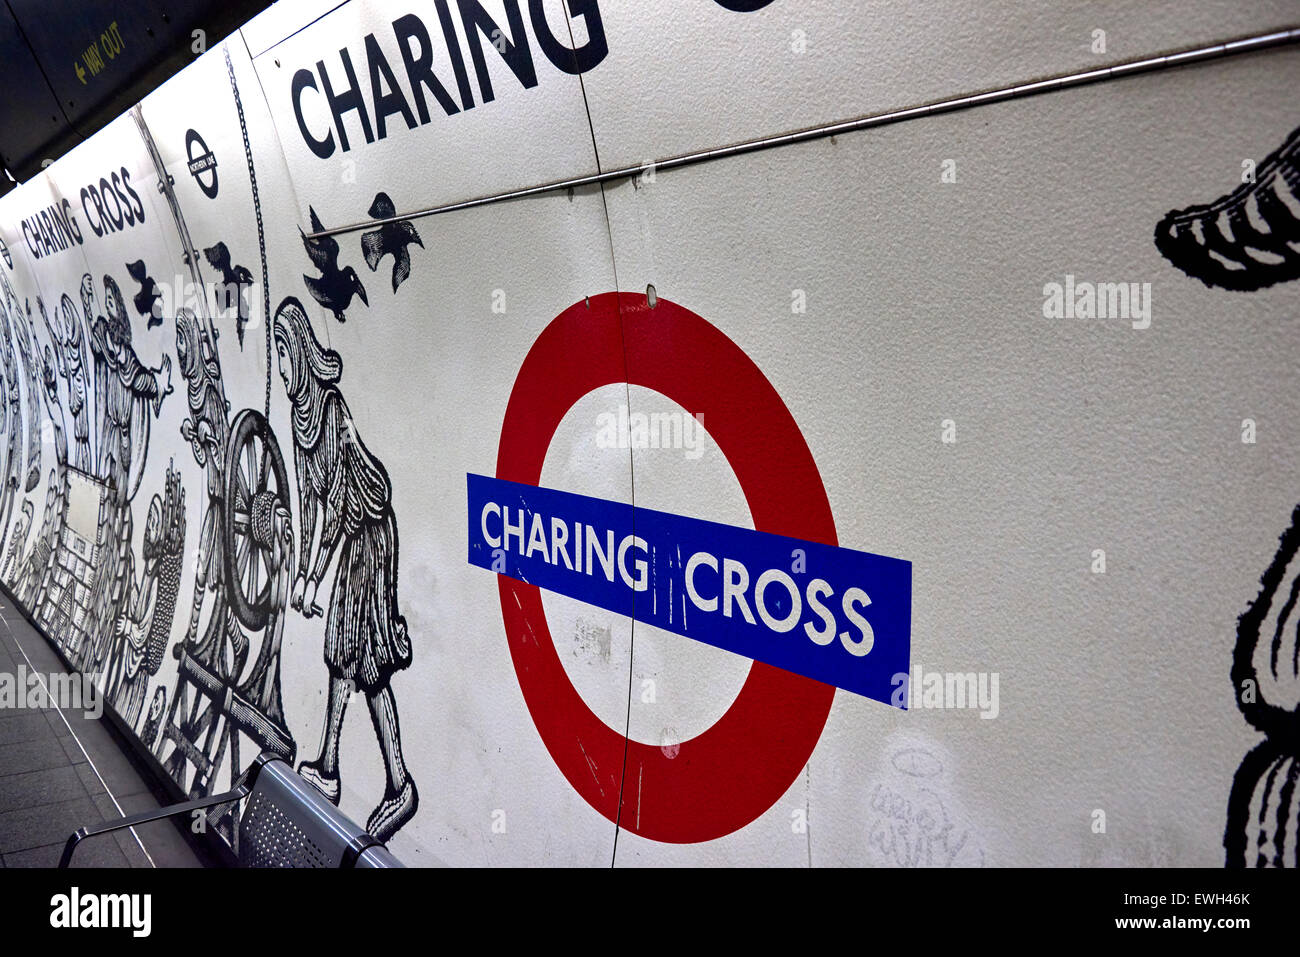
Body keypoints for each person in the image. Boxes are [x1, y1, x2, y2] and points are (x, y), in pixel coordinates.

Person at [272, 296, 417, 841]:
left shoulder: (330, 409)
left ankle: (395, 783)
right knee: (343, 650)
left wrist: (315, 574)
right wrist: (305, 571)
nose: (283, 368)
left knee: (364, 655)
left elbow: (339, 501)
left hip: (371, 528)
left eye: (285, 356)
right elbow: (312, 504)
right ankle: (332, 768)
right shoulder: (298, 414)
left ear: (300, 352)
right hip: (346, 531)